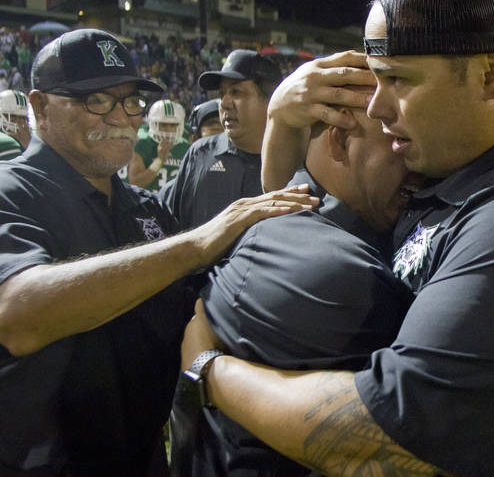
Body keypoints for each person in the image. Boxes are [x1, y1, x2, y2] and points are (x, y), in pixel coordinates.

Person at [181, 0, 494, 476]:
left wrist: (209, 371)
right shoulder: (450, 160)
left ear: (490, 74)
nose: (378, 105)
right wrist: (281, 123)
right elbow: (321, 191)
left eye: (397, 78)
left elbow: (399, 449)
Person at [0, 28, 317, 476]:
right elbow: (18, 315)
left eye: (130, 101)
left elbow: (202, 305)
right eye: (96, 100)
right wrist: (197, 242)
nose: (122, 118)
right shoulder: (10, 191)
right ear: (39, 107)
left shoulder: (144, 207)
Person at [170, 85, 424, 477]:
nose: (418, 163)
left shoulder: (274, 219)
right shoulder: (341, 273)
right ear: (339, 139)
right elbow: (395, 445)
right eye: (399, 140)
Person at [163, 49, 282, 230]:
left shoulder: (293, 161)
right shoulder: (199, 154)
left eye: (236, 92)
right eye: (221, 94)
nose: (224, 103)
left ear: (271, 100)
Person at [128, 98, 191, 192]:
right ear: (153, 124)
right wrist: (159, 160)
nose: (168, 130)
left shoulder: (185, 147)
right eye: (163, 125)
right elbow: (136, 182)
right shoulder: (143, 143)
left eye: (173, 125)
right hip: (147, 203)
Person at [0, 89, 29, 160]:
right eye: (12, 116)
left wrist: (28, 144)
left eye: (22, 117)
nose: (18, 121)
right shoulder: (5, 143)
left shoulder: (30, 138)